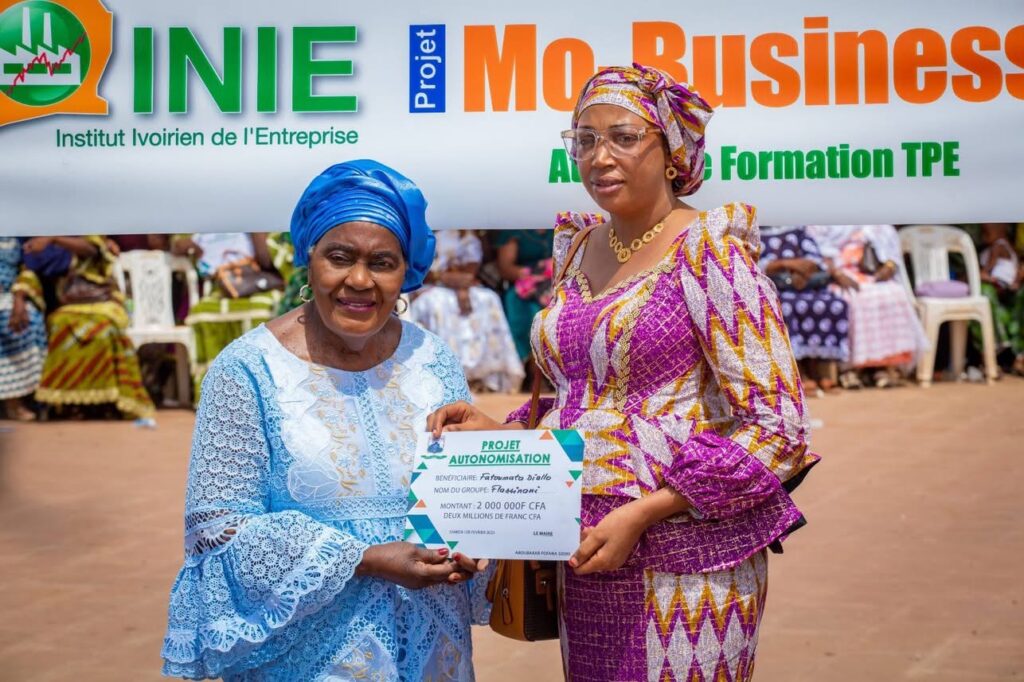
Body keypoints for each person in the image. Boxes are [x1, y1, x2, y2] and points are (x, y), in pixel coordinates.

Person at [429, 64, 818, 681]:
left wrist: (645, 512)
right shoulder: (579, 249)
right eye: (584, 140)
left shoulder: (710, 251)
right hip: (583, 552)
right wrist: (499, 433)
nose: (599, 157)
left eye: (624, 137)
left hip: (685, 562)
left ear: (671, 150)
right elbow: (581, 398)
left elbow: (778, 426)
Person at [161, 160, 491, 681]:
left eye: (382, 262)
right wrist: (362, 557)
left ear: (406, 272)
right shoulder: (248, 370)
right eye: (339, 257)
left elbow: (467, 491)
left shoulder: (432, 359)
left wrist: (479, 536)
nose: (359, 280)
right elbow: (219, 532)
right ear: (308, 259)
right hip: (308, 657)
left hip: (433, 645)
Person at [29, 236, 155, 420]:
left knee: (103, 328)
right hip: (73, 305)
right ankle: (70, 401)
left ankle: (106, 401)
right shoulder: (65, 248)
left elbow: (91, 250)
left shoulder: (94, 239)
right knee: (59, 323)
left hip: (104, 302)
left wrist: (53, 239)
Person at [808, 225, 927, 388]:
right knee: (853, 298)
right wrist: (837, 274)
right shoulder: (825, 226)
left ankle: (883, 368)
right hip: (839, 277)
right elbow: (818, 254)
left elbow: (891, 257)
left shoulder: (879, 226)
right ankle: (851, 370)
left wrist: (887, 268)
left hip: (871, 276)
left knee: (894, 294)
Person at [411, 229, 525, 393]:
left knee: (488, 299)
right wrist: (442, 278)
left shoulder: (469, 238)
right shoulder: (426, 234)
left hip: (464, 285)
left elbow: (470, 271)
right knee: (436, 303)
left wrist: (461, 288)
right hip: (432, 285)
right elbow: (418, 269)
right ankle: (445, 373)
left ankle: (483, 375)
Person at [172, 232, 283, 392]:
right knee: (200, 313)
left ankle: (260, 384)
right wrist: (192, 245)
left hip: (254, 281)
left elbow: (266, 260)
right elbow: (176, 246)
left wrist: (256, 233)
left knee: (262, 312)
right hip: (219, 285)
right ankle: (213, 387)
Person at [759, 226, 850, 393]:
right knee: (786, 308)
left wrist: (801, 274)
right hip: (775, 288)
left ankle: (821, 371)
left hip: (806, 284)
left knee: (834, 305)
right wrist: (786, 264)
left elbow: (815, 259)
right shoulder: (756, 232)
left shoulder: (798, 231)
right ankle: (800, 374)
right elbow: (754, 263)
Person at [493, 228, 554, 370]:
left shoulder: (559, 228)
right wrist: (537, 272)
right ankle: (528, 369)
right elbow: (506, 269)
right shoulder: (514, 232)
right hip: (523, 288)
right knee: (531, 315)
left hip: (554, 286)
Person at [0, 237, 47, 420]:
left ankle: (21, 400)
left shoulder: (17, 237)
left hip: (11, 294)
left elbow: (27, 268)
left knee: (29, 319)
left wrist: (19, 297)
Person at [975, 224, 1023, 370]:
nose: (984, 235)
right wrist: (1016, 281)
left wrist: (984, 275)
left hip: (1000, 284)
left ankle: (998, 348)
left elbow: (988, 268)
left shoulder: (998, 245)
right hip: (1006, 286)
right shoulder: (1009, 247)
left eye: (986, 232)